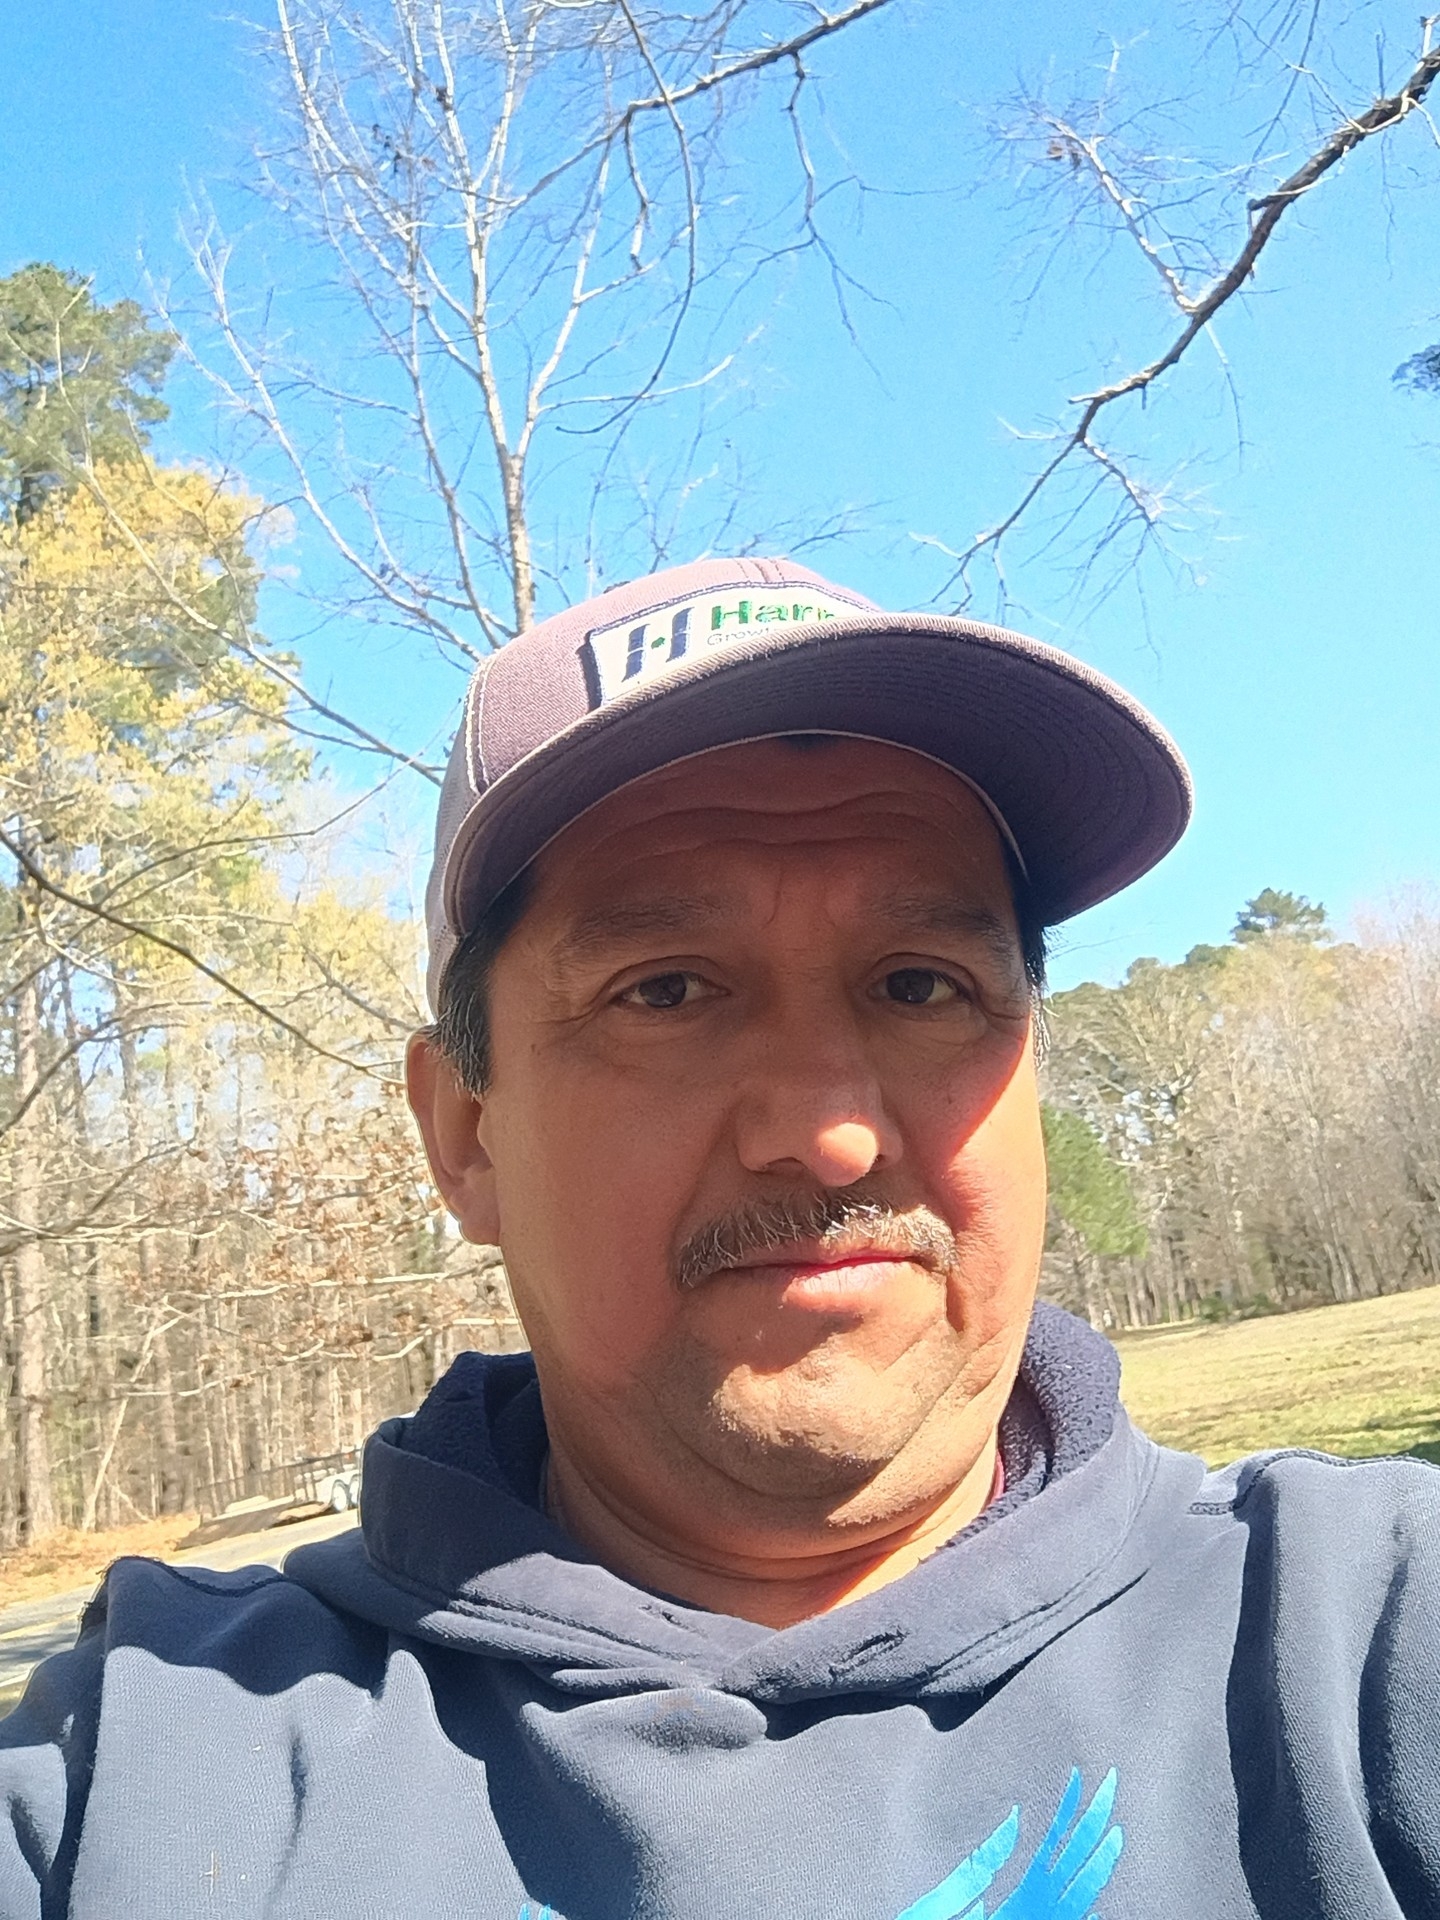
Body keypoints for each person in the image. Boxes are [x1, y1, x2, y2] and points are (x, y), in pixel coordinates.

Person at [2, 557, 1436, 1919]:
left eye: (920, 984)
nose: (828, 1130)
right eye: (669, 990)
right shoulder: (146, 1766)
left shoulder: (1363, 1632)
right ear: (466, 1135)